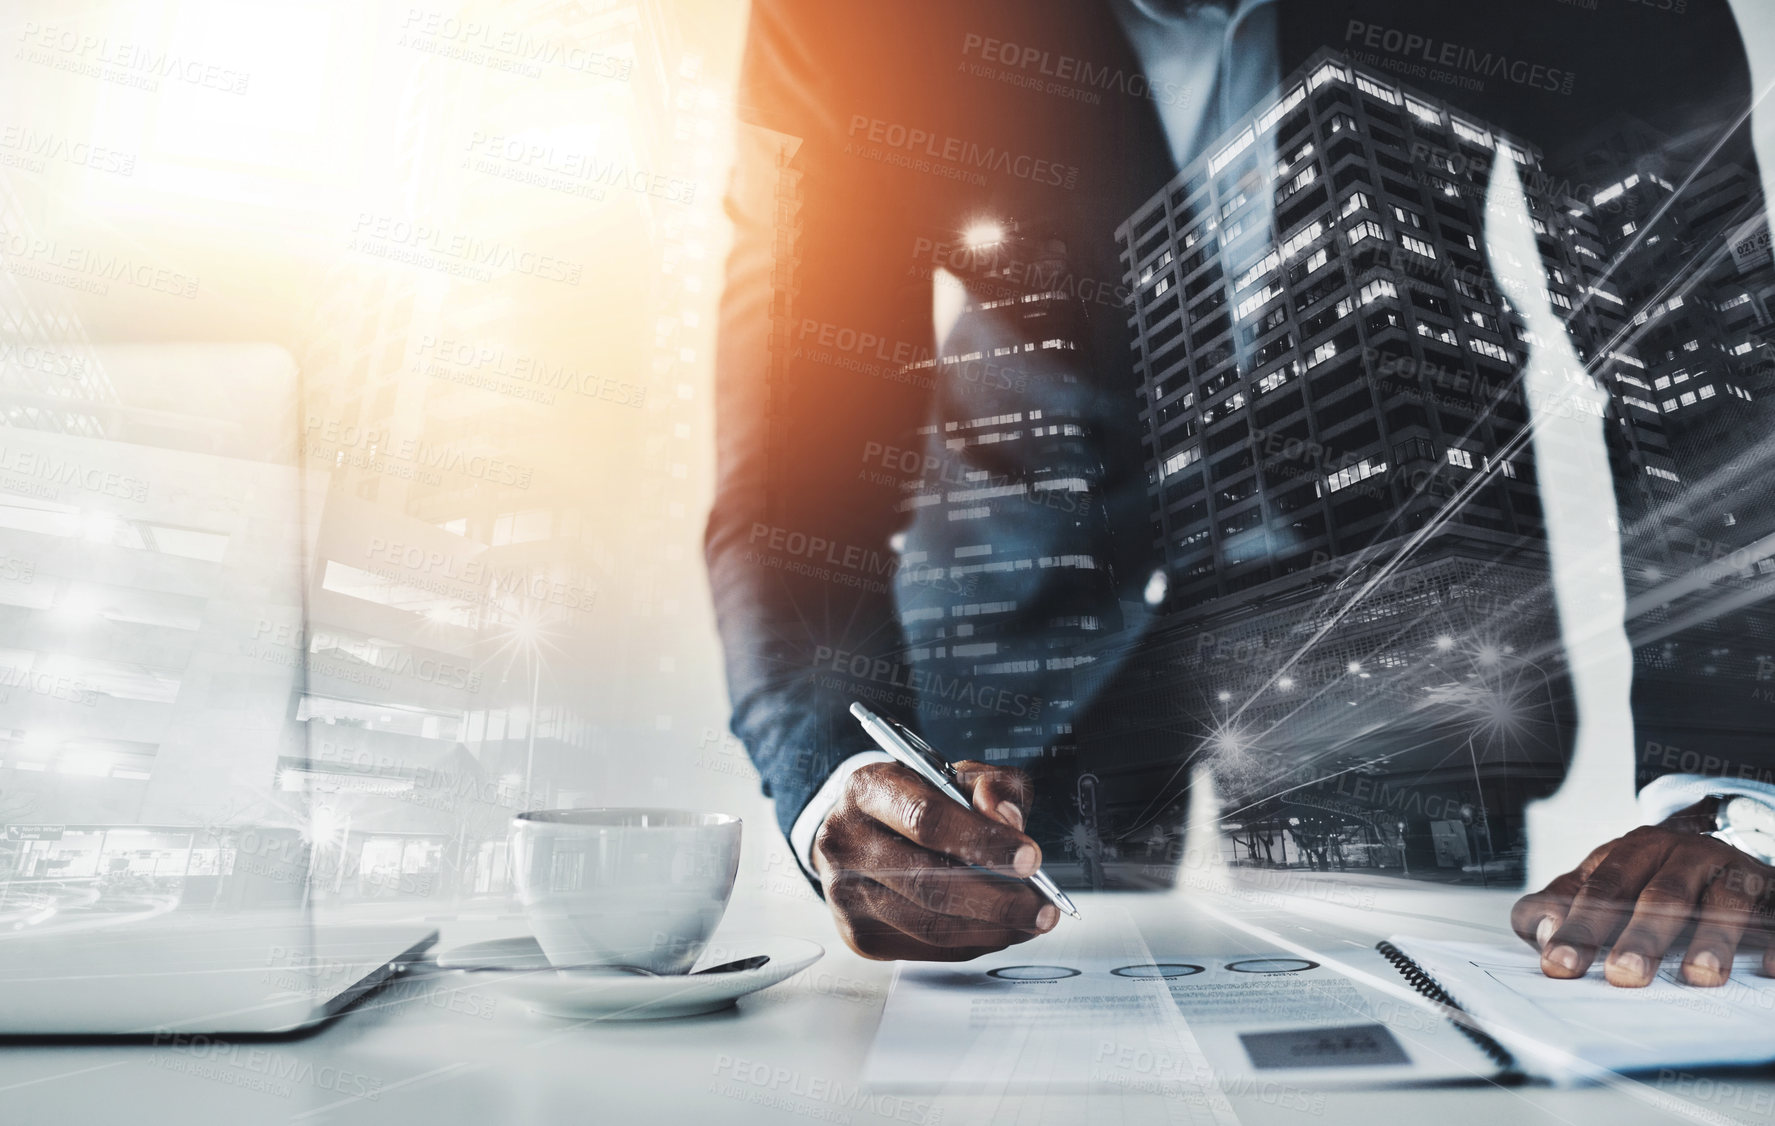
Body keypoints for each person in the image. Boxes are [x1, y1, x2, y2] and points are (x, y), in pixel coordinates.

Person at [707, 0, 1775, 976]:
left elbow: (1713, 380)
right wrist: (833, 770)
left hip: (1403, 646)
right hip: (1017, 676)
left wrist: (1728, 797)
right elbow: (794, 473)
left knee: (1427, 1050)